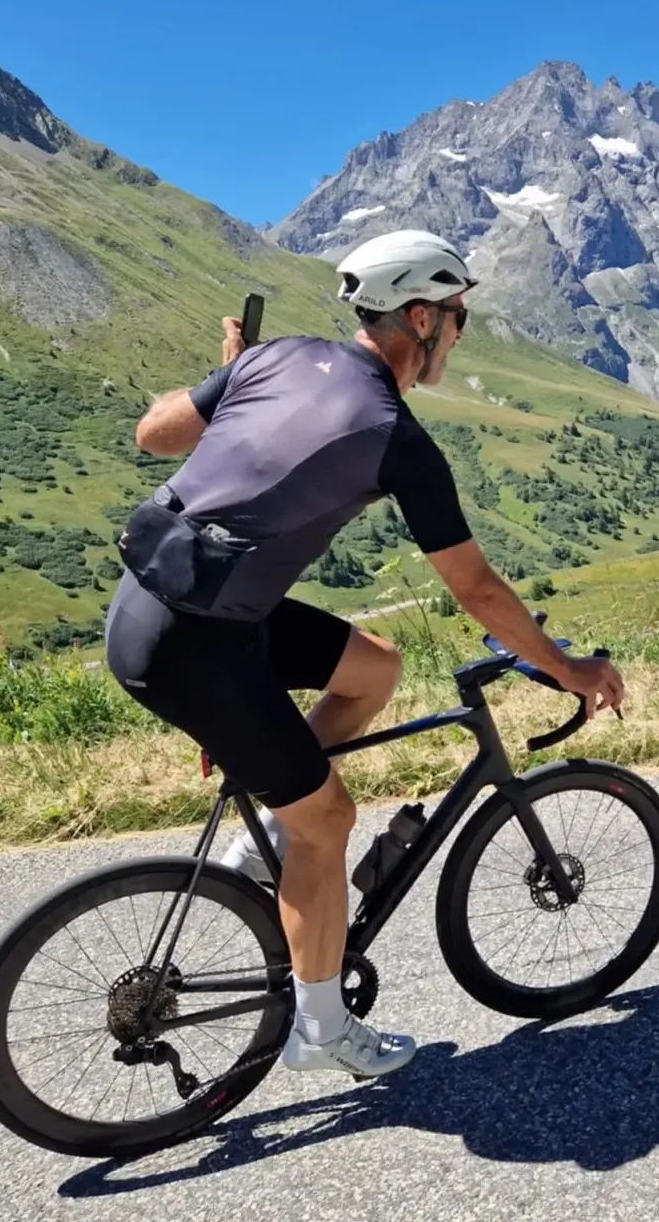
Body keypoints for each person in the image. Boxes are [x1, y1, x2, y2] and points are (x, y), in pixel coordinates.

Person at [104, 229, 625, 1081]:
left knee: (374, 667)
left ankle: (267, 841)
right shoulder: (395, 435)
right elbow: (479, 592)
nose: (460, 332)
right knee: (333, 821)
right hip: (192, 642)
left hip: (160, 604)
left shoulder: (281, 358)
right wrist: (570, 669)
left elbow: (155, 432)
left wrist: (236, 374)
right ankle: (320, 1030)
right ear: (419, 316)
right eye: (457, 316)